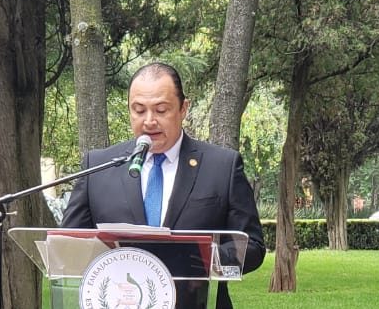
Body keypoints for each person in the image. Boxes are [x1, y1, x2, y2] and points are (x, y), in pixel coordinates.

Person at [61, 62, 265, 308]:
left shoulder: (222, 166)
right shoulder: (99, 166)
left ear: (183, 109)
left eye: (161, 110)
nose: (149, 121)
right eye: (139, 110)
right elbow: (67, 245)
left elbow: (253, 246)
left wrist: (203, 259)